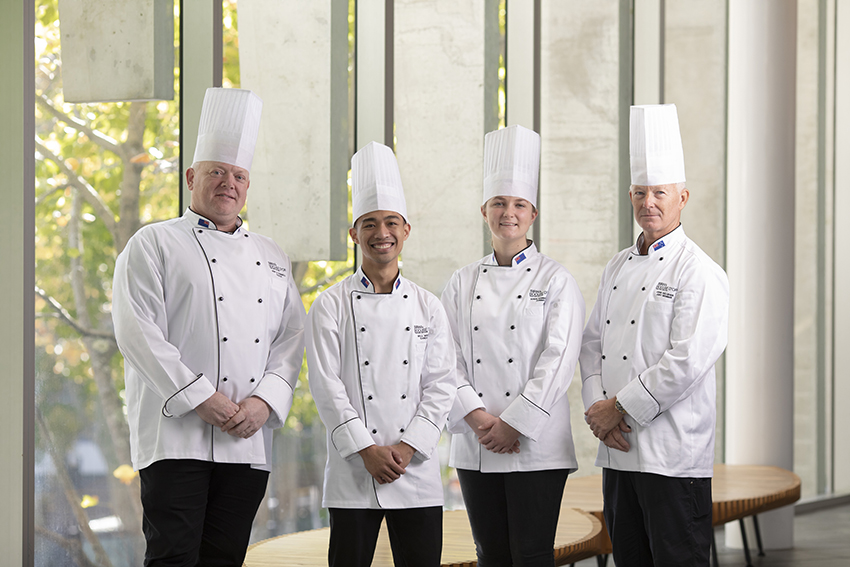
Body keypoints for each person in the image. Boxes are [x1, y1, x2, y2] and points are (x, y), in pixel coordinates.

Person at [112, 88, 306, 567]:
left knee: (225, 558)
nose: (228, 183)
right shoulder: (152, 243)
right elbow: (138, 332)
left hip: (246, 441)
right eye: (217, 172)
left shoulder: (271, 255)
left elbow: (291, 339)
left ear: (247, 185)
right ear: (191, 177)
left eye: (238, 175)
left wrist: (264, 403)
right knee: (173, 557)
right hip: (175, 438)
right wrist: (204, 398)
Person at [580, 103, 729, 566]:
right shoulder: (618, 265)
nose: (649, 203)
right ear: (630, 196)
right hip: (620, 452)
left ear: (682, 198)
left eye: (659, 193)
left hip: (673, 455)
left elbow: (686, 361)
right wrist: (596, 412)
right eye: (641, 192)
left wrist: (617, 408)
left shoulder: (700, 271)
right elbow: (592, 346)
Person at [441, 125, 586, 567]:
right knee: (491, 556)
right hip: (477, 442)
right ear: (484, 210)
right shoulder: (462, 281)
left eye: (519, 204)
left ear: (533, 214)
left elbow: (558, 359)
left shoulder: (556, 280)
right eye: (499, 203)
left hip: (536, 445)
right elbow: (445, 360)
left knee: (532, 555)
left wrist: (515, 423)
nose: (509, 213)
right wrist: (481, 417)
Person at [305, 141, 456, 567]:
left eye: (391, 222)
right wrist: (366, 448)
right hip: (354, 469)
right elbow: (325, 385)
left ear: (406, 230)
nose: (381, 233)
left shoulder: (429, 306)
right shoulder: (329, 304)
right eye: (369, 224)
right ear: (354, 234)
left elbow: (441, 384)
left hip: (417, 468)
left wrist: (409, 447)